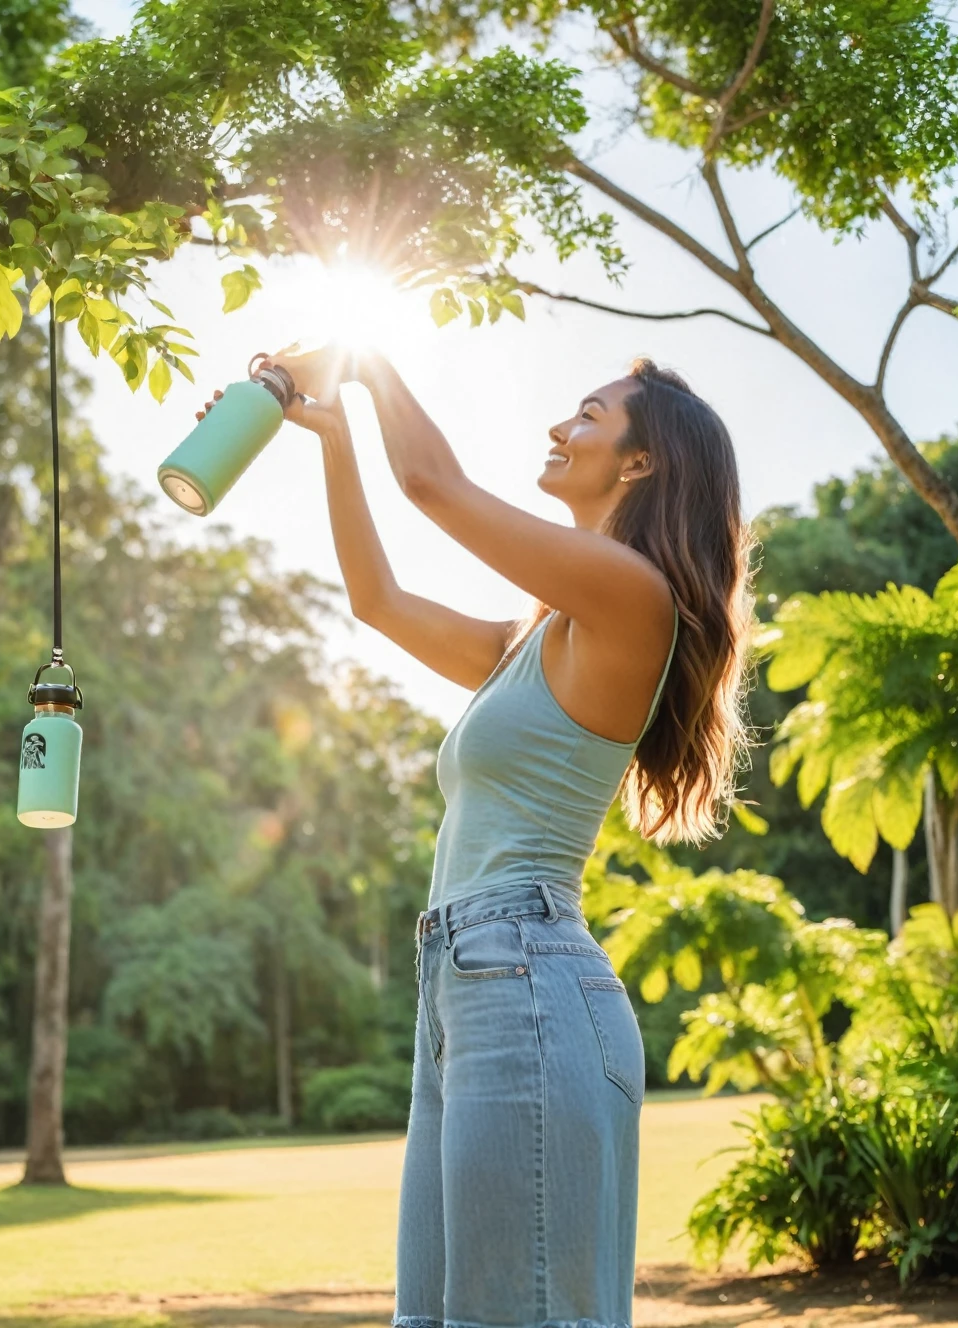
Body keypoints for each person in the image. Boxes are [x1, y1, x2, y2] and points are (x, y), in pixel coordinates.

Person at [196, 346, 753, 1328]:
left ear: (638, 463)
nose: (558, 428)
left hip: (525, 978)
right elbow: (376, 601)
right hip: (456, 983)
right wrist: (332, 438)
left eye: (586, 414)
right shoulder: (527, 642)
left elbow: (430, 482)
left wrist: (365, 356)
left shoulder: (634, 600)